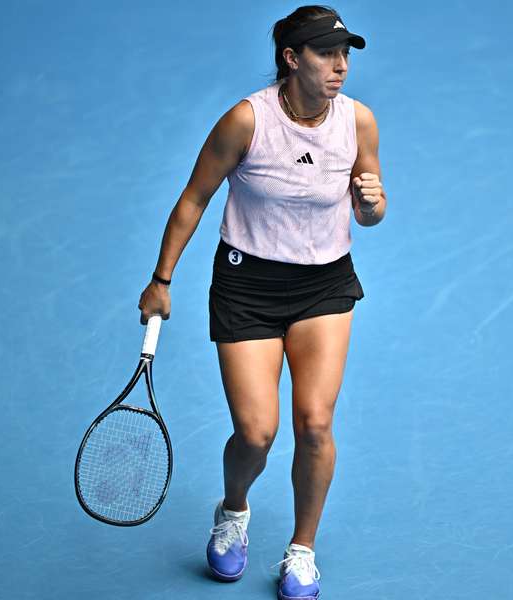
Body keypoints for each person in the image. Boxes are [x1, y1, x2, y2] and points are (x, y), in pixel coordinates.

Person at [137, 5, 386, 599]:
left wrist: (373, 202)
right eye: (327, 54)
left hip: (324, 286)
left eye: (345, 54)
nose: (340, 66)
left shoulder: (359, 122)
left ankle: (302, 550)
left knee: (316, 424)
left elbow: (369, 213)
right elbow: (194, 199)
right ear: (291, 58)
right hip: (246, 288)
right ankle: (234, 510)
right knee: (255, 433)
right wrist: (161, 280)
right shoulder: (246, 121)